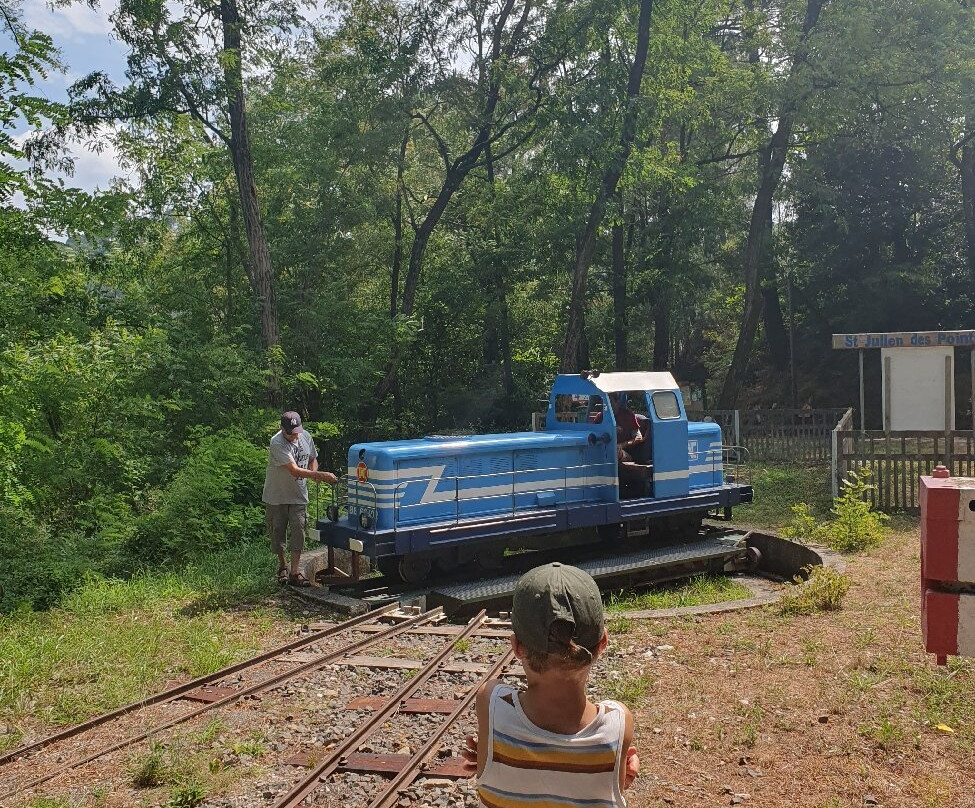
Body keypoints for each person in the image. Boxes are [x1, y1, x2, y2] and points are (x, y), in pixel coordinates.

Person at [462, 562, 640, 807]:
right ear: (603, 643)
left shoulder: (490, 702)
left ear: (517, 647)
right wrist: (614, 772)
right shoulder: (618, 724)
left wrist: (491, 750)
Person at [262, 411, 337, 587]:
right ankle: (282, 566)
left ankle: (295, 572)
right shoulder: (277, 442)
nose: (294, 435)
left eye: (296, 431)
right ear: (282, 429)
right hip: (277, 496)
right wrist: (320, 475)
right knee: (277, 532)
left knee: (299, 532)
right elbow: (294, 470)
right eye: (291, 433)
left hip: (299, 495)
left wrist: (314, 471)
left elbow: (313, 458)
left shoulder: (305, 436)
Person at [612, 393, 644, 462]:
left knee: (615, 452)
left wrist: (622, 445)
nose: (608, 406)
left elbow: (638, 437)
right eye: (606, 402)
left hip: (626, 452)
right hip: (604, 450)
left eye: (611, 402)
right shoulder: (600, 417)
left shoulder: (628, 415)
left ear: (617, 402)